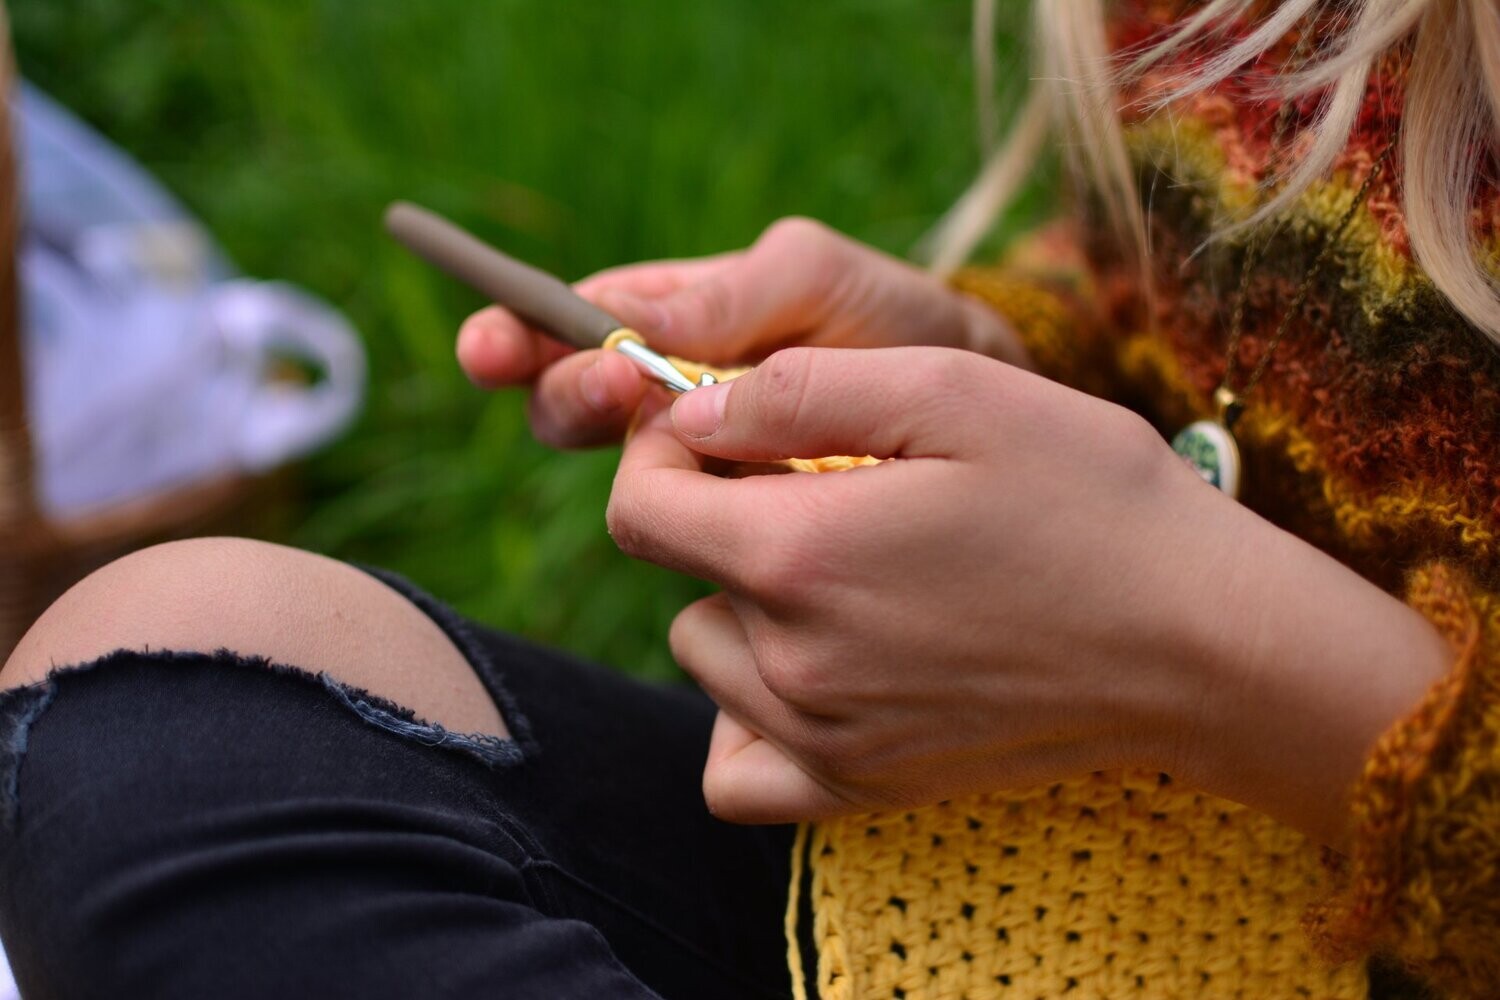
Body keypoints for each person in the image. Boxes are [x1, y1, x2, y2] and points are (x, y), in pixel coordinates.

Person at [2, 1, 1497, 997]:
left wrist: (1207, 654)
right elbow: (1205, 310)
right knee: (147, 701)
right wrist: (1003, 366)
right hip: (1011, 890)